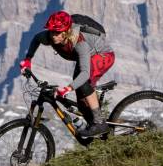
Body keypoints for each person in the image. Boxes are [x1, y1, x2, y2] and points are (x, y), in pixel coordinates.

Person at [19, 10, 114, 138]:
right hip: (86, 58)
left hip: (102, 55)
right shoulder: (49, 36)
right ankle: (97, 131)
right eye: (51, 31)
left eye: (57, 33)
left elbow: (85, 73)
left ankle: (99, 123)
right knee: (81, 101)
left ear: (67, 32)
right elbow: (36, 39)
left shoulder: (80, 43)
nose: (53, 36)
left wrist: (68, 88)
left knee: (83, 83)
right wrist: (28, 60)